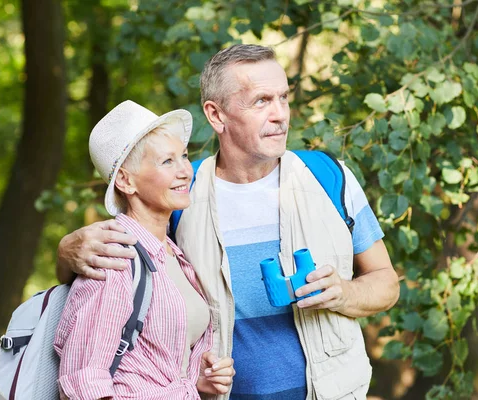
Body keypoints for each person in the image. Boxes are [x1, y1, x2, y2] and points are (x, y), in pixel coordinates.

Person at [57, 45, 399, 400]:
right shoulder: (180, 198)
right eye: (262, 101)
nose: (280, 114)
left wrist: (345, 292)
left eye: (283, 97)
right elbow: (110, 288)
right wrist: (65, 253)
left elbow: (387, 283)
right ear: (216, 115)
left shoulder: (328, 177)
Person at [53, 100, 235, 400]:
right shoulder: (114, 259)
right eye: (167, 162)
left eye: (184, 156)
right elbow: (84, 383)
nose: (185, 171)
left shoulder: (173, 254)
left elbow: (153, 365)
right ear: (126, 180)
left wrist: (196, 380)